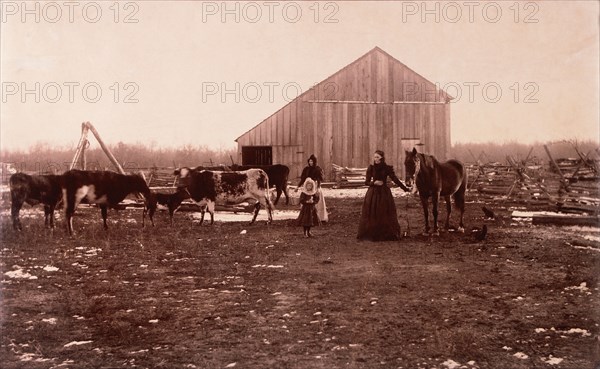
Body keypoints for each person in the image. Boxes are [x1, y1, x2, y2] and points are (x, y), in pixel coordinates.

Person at [357, 150, 410, 241]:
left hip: (384, 193)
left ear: (381, 158)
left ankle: (385, 234)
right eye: (374, 157)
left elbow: (395, 179)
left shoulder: (387, 168)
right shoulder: (371, 168)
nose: (375, 159)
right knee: (372, 212)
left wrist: (405, 188)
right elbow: (366, 182)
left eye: (377, 157)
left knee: (384, 212)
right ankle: (372, 233)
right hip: (373, 193)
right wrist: (374, 183)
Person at [296, 154, 329, 222]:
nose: (310, 163)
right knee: (306, 200)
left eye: (312, 161)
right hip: (307, 187)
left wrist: (318, 188)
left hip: (315, 186)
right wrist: (298, 186)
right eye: (310, 161)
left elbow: (319, 179)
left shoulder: (318, 169)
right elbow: (303, 179)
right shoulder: (306, 169)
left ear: (315, 162)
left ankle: (319, 217)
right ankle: (306, 218)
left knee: (316, 201)